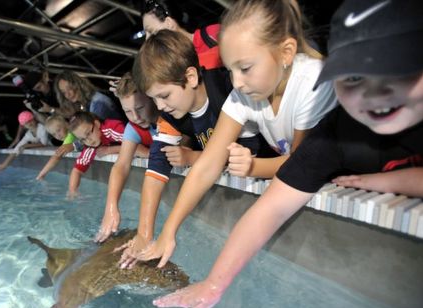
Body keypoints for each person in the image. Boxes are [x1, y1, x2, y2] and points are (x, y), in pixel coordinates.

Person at [152, 0, 423, 308]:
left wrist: (398, 180)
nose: (373, 92)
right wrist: (213, 281)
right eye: (351, 78)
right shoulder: (333, 136)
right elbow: (270, 206)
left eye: (397, 68)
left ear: (286, 52)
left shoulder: (312, 88)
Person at [129, 0, 337, 269]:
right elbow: (206, 166)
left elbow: (303, 165)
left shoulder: (313, 82)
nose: (236, 83)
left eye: (246, 68)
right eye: (230, 71)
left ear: (286, 53)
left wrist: (253, 165)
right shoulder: (244, 94)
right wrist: (168, 232)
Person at [117, 29, 264, 268]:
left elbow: (248, 153)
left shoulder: (228, 88)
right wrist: (145, 233)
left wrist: (193, 156)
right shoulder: (172, 115)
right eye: (153, 99)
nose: (160, 106)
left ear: (191, 77)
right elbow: (156, 170)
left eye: (164, 95)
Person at [95, 72, 160, 242]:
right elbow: (121, 166)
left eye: (139, 108)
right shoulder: (133, 128)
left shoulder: (170, 114)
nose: (136, 118)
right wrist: (110, 207)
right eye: (128, 112)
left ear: (151, 97)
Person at [141, 0, 222, 69]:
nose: (147, 40)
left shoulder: (213, 34)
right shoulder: (175, 66)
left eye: (151, 31)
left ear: (169, 23)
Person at [67, 112, 124, 199]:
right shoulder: (91, 147)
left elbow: (134, 142)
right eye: (83, 139)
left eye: (88, 133)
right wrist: (72, 191)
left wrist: (109, 150)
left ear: (97, 124)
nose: (88, 140)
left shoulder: (110, 129)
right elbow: (77, 170)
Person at [54, 70, 124, 121]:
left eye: (69, 88)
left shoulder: (98, 104)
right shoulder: (83, 104)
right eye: (63, 92)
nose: (67, 95)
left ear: (78, 84)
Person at [35, 115, 79, 180]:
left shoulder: (70, 136)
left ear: (66, 124)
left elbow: (56, 157)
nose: (57, 135)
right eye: (54, 134)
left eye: (58, 130)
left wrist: (41, 174)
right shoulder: (70, 135)